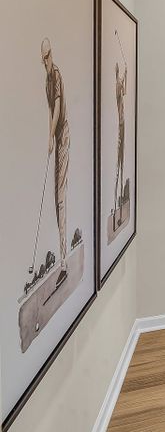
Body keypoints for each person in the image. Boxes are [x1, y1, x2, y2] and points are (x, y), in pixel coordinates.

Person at [42, 38, 69, 286]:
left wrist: (52, 137)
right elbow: (50, 111)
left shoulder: (57, 75)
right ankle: (62, 257)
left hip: (64, 139)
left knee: (60, 199)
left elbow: (59, 109)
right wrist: (49, 137)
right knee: (55, 200)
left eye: (48, 57)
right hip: (55, 138)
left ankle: (64, 262)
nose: (46, 62)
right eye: (43, 58)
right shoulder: (46, 80)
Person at [114, 61, 127, 225]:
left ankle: (120, 210)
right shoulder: (117, 87)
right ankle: (116, 209)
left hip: (123, 127)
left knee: (122, 166)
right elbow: (122, 88)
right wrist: (123, 75)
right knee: (119, 167)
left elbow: (126, 89)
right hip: (120, 127)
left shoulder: (119, 85)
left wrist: (126, 73)